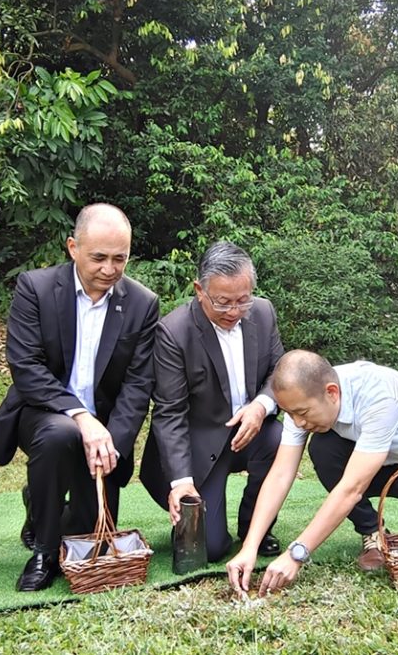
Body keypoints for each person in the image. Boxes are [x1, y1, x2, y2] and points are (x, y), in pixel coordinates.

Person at [227, 350, 398, 596]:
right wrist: (249, 547)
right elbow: (280, 475)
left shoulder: (380, 395)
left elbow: (351, 489)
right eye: (290, 414)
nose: (298, 422)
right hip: (362, 461)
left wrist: (296, 553)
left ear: (331, 392)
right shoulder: (299, 403)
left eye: (303, 412)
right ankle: (373, 531)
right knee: (324, 448)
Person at [0, 203, 159, 591]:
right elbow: (27, 368)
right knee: (59, 435)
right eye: (98, 257)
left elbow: (137, 386)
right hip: (45, 411)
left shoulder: (142, 303)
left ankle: (40, 503)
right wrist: (82, 418)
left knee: (89, 533)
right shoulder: (36, 288)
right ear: (72, 247)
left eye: (120, 258)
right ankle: (44, 554)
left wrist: (112, 442)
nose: (109, 269)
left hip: (108, 425)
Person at [141, 241, 284, 562]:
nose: (234, 312)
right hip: (200, 444)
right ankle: (202, 522)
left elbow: (280, 372)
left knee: (279, 439)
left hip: (251, 433)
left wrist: (260, 406)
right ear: (199, 290)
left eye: (242, 301)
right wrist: (181, 482)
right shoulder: (173, 332)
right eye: (222, 303)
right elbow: (170, 413)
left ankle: (255, 528)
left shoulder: (262, 312)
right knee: (213, 549)